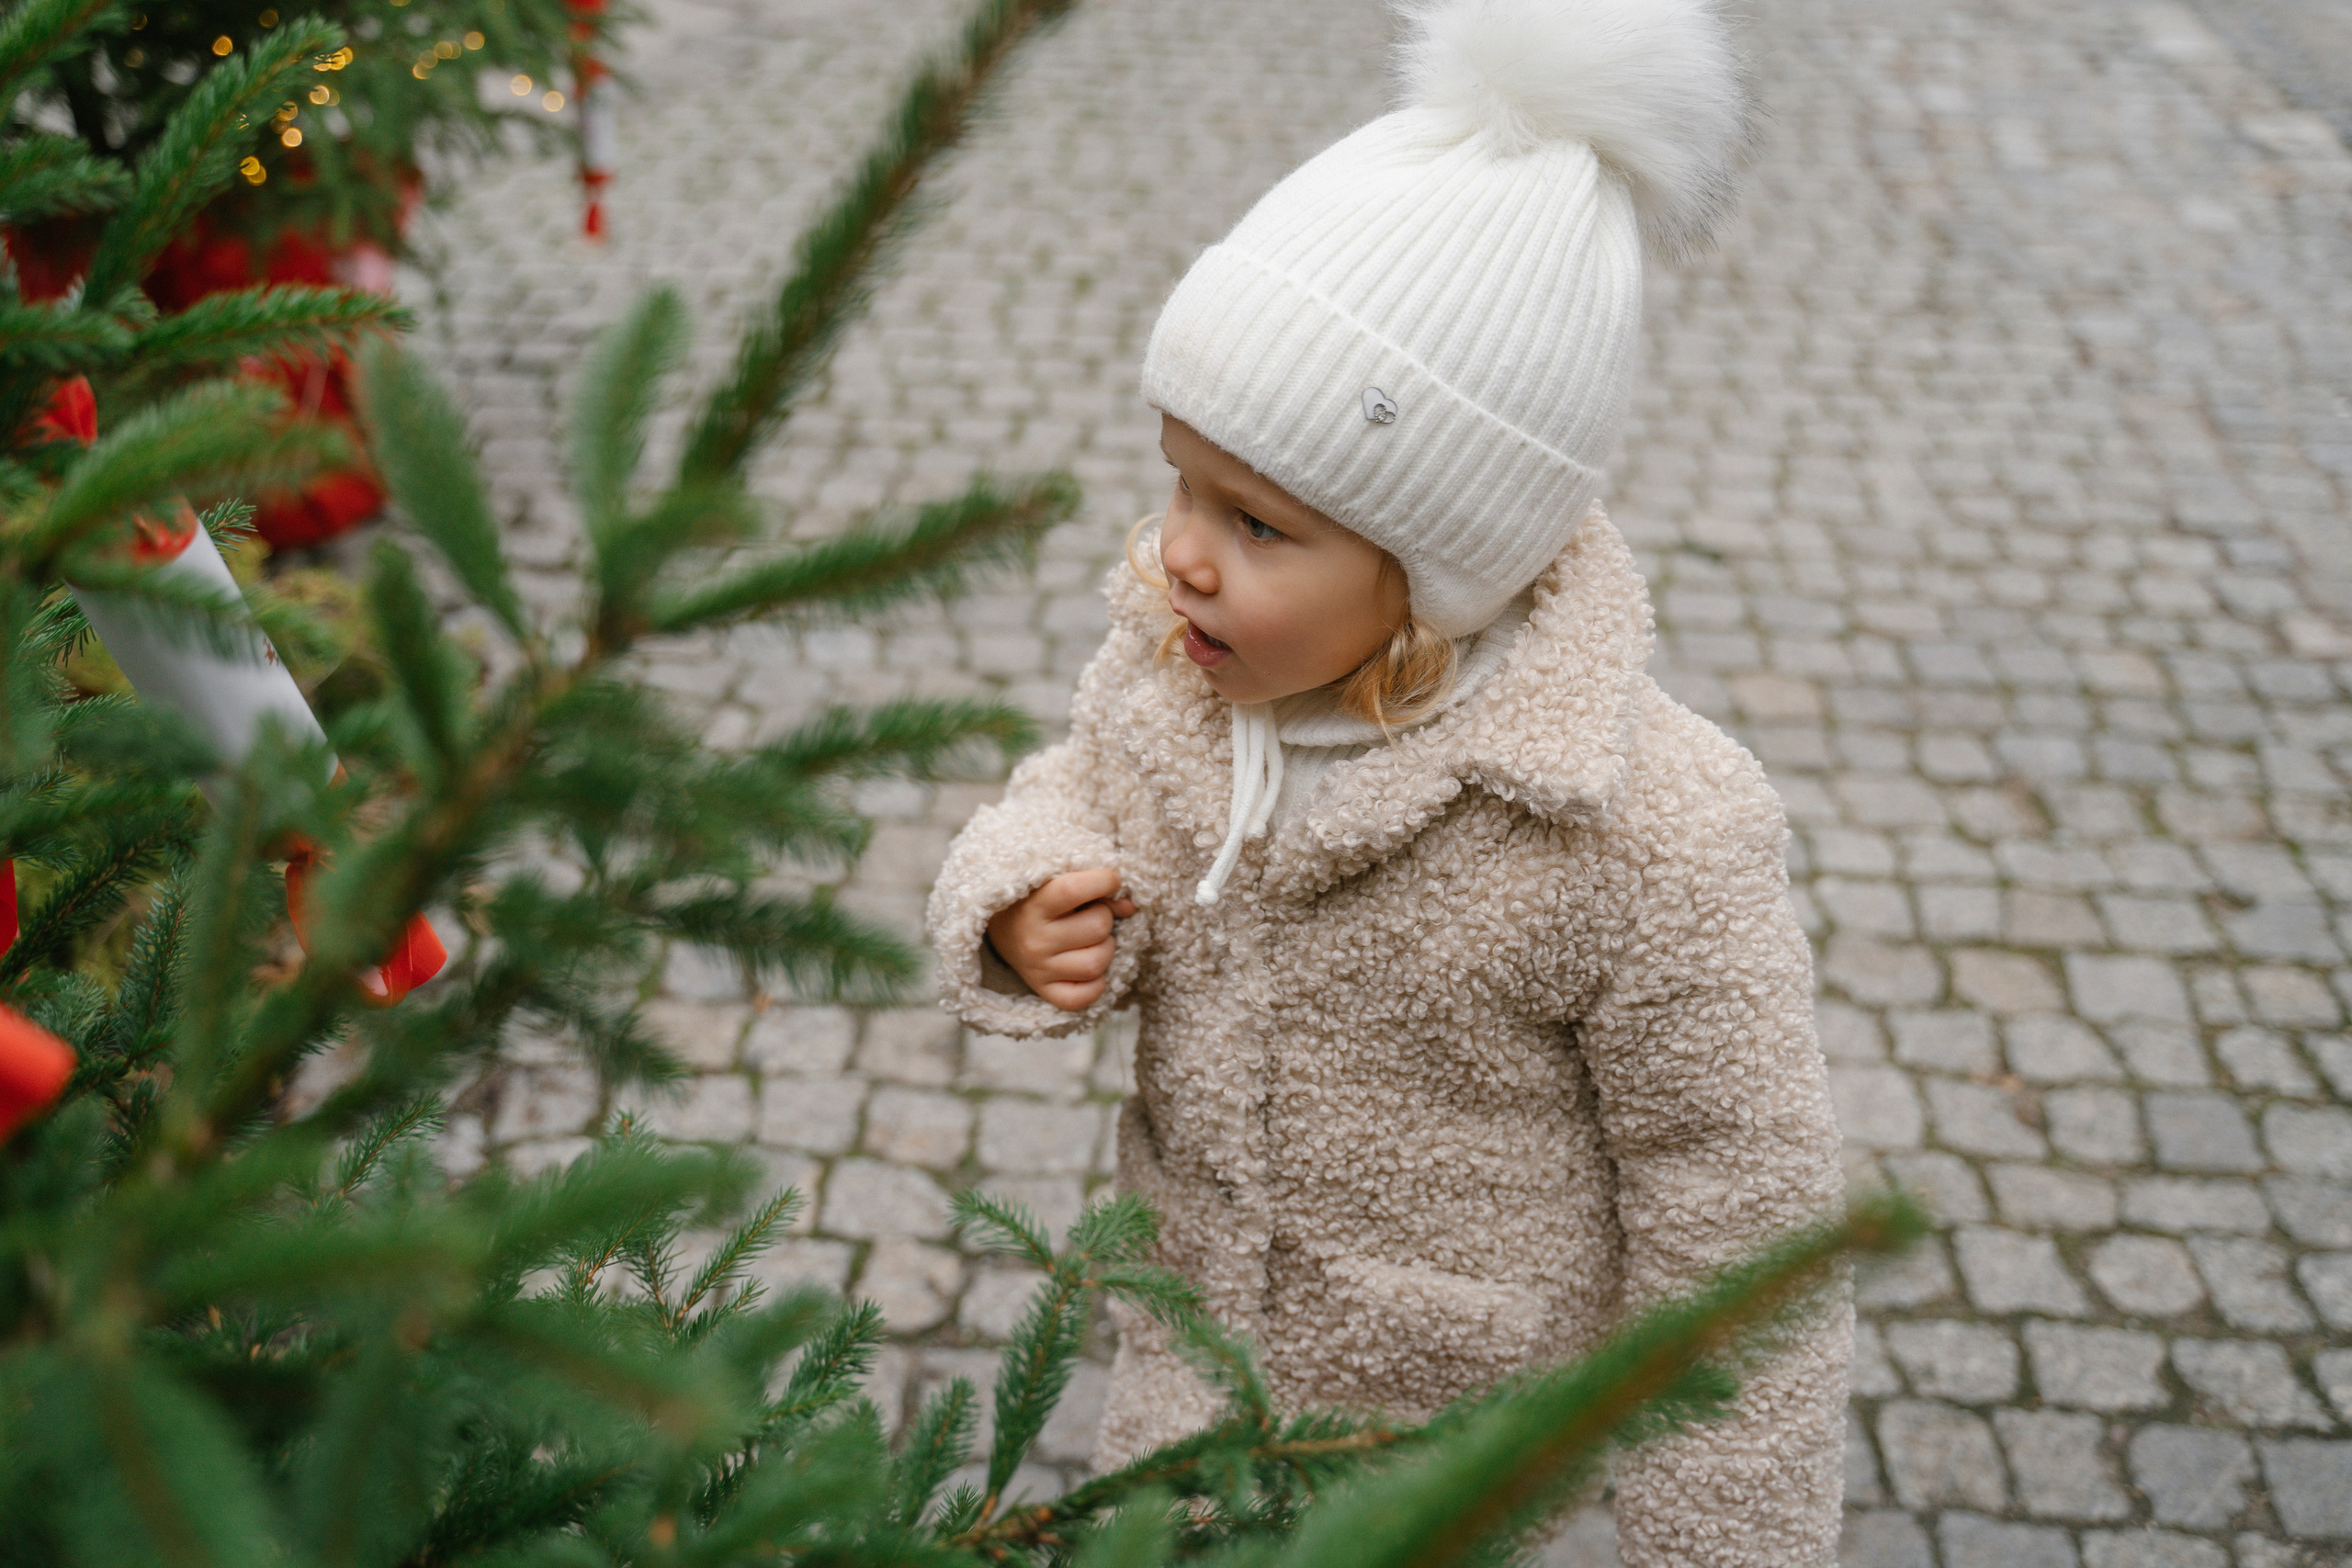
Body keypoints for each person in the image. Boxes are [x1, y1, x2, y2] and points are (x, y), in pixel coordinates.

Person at [925, 1, 1849, 1561]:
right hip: (1184, 1406)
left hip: (1439, 1461)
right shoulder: (1176, 679)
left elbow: (1739, 1224)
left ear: (1440, 569)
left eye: (1258, 522)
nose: (1181, 553)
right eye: (1179, 478)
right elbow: (1073, 787)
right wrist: (1022, 899)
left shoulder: (1643, 831)